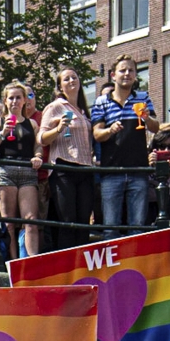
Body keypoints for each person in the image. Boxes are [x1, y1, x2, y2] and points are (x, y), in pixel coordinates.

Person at [90, 56, 159, 239]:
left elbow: (155, 127)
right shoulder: (101, 102)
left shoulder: (143, 98)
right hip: (112, 171)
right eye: (122, 70)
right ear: (113, 75)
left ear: (136, 75)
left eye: (131, 70)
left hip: (138, 170)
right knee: (110, 226)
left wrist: (146, 118)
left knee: (137, 226)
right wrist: (110, 130)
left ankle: (135, 266)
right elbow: (96, 134)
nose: (127, 74)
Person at [38, 67, 96, 251]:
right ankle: (68, 266)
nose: (71, 81)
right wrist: (58, 129)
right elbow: (41, 138)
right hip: (64, 167)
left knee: (83, 220)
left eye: (74, 77)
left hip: (86, 168)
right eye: (66, 79)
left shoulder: (83, 110)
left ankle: (83, 265)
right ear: (60, 86)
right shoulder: (56, 107)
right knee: (68, 220)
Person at [0, 81, 42, 256]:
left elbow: (38, 146)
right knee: (8, 223)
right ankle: (12, 263)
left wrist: (38, 156)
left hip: (27, 171)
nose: (15, 101)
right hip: (6, 171)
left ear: (25, 100)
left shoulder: (31, 124)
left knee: (31, 221)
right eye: (11, 98)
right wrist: (3, 132)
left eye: (18, 97)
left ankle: (32, 261)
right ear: (5, 101)